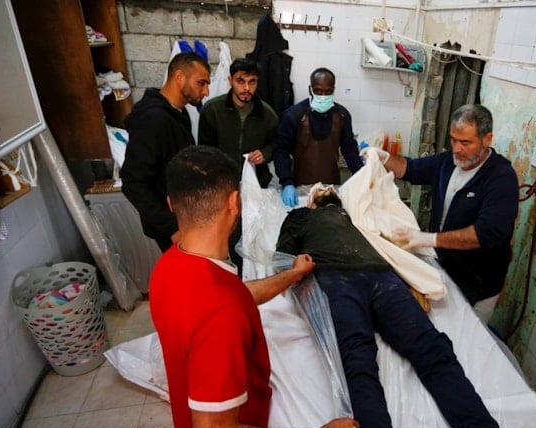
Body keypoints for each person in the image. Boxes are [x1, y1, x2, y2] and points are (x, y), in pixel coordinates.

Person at [150, 146, 359, 428]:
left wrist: (291, 275)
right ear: (234, 202)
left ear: (171, 203)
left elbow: (234, 296)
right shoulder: (221, 315)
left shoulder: (170, 266)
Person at [276, 184, 508, 428]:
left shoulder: (356, 216)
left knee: (432, 347)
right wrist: (298, 273)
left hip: (382, 275)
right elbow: (282, 257)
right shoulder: (301, 216)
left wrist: (411, 280)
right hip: (334, 277)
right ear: (310, 203)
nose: (325, 188)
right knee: (358, 362)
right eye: (319, 191)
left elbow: (389, 242)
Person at [368, 104, 519, 323]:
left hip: (478, 281)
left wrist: (428, 239)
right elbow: (410, 169)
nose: (457, 149)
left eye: (465, 142)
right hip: (445, 267)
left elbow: (484, 234)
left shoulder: (501, 178)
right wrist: (383, 158)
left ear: (487, 139)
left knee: (466, 331)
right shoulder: (448, 162)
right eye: (453, 140)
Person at [120, 52, 211, 251]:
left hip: (186, 217)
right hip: (172, 225)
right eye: (201, 83)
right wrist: (171, 227)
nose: (206, 91)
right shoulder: (154, 119)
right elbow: (132, 182)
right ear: (180, 77)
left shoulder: (179, 113)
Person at [199, 57, 279, 271]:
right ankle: (228, 277)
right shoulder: (213, 110)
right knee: (225, 239)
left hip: (255, 188)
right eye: (240, 81)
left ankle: (250, 279)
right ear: (230, 81)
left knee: (252, 238)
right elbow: (204, 151)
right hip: (222, 188)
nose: (246, 88)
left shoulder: (267, 115)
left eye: (252, 82)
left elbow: (277, 145)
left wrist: (265, 153)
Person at [272, 67, 364, 207]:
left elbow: (350, 149)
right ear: (310, 89)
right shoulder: (294, 115)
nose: (323, 96)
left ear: (333, 89)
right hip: (300, 188)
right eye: (318, 91)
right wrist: (287, 182)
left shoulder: (342, 115)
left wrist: (362, 176)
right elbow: (280, 151)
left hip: (331, 188)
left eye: (328, 92)